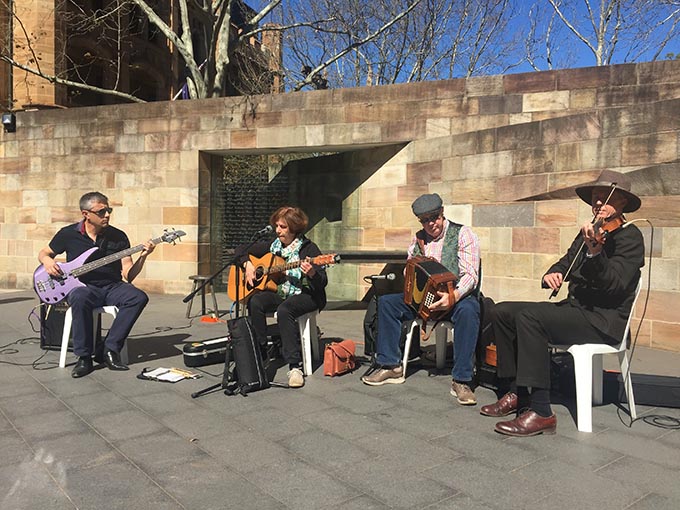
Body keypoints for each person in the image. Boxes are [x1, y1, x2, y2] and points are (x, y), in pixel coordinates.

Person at [481, 169, 644, 436]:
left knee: (530, 318)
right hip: (573, 311)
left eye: (606, 197)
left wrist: (596, 254)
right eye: (596, 197)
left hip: (601, 320)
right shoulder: (587, 233)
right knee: (502, 311)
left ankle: (542, 412)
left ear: (623, 202)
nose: (599, 203)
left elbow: (615, 284)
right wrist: (552, 273)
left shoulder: (630, 238)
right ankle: (515, 391)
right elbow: (566, 263)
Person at [361, 193, 482, 406]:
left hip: (456, 298)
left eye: (434, 217)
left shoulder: (463, 234)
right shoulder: (417, 241)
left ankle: (462, 379)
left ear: (442, 213)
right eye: (425, 220)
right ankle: (391, 366)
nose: (430, 224)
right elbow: (411, 271)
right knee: (387, 303)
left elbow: (471, 275)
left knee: (469, 310)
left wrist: (453, 296)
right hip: (423, 300)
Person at [37, 192, 156, 378]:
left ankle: (109, 349)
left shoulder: (118, 236)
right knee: (78, 297)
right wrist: (47, 262)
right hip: (83, 287)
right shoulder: (68, 234)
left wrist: (144, 256)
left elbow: (128, 274)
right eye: (101, 212)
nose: (107, 215)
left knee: (137, 297)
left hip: (112, 286)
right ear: (86, 214)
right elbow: (44, 253)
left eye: (109, 210)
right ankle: (84, 357)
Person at [237, 206, 328, 388]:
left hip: (307, 294)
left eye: (283, 227)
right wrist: (248, 265)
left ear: (294, 228)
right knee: (256, 301)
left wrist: (311, 273)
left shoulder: (309, 249)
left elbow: (322, 282)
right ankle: (260, 352)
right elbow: (240, 249)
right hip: (282, 292)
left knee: (285, 310)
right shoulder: (274, 246)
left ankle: (295, 367)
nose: (278, 231)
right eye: (277, 226)